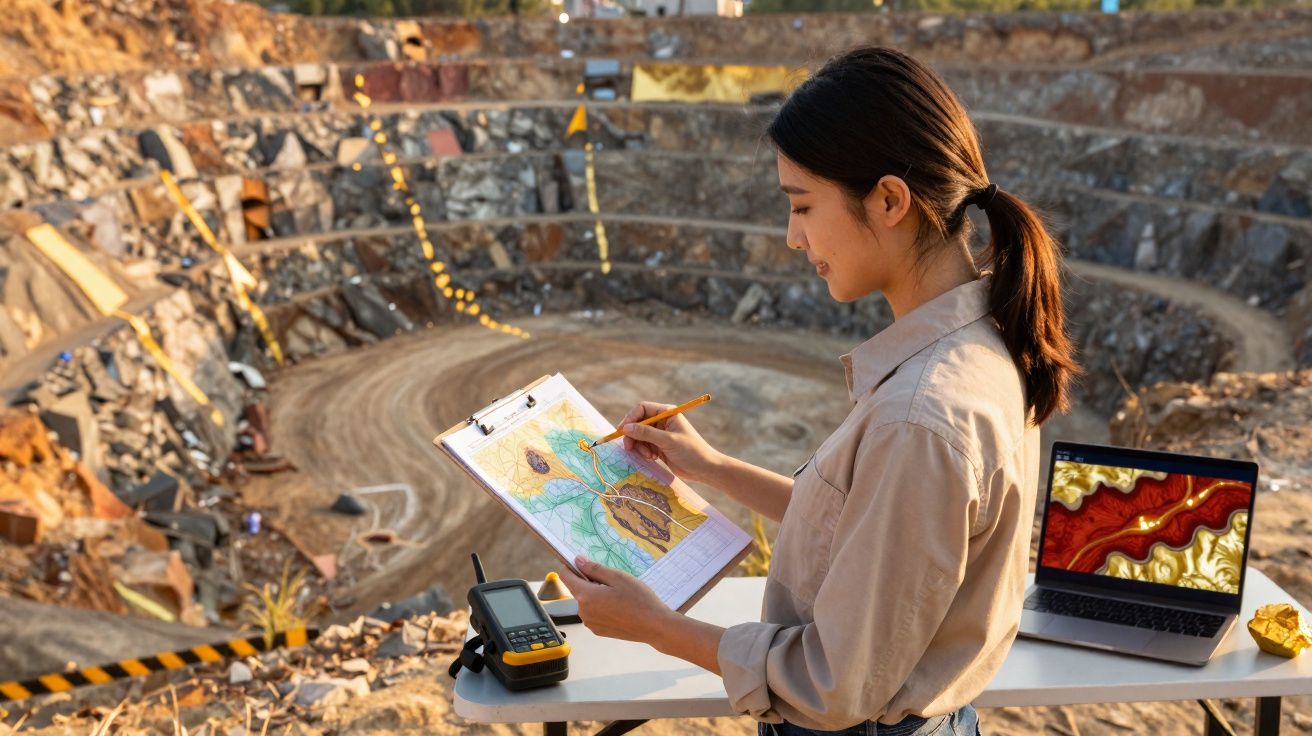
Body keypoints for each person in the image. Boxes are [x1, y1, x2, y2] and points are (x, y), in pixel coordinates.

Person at [557, 46, 1080, 736]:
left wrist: (655, 627)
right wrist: (709, 468)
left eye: (802, 205)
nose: (791, 237)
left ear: (891, 200)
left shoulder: (920, 417)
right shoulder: (983, 346)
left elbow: (833, 680)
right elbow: (866, 532)